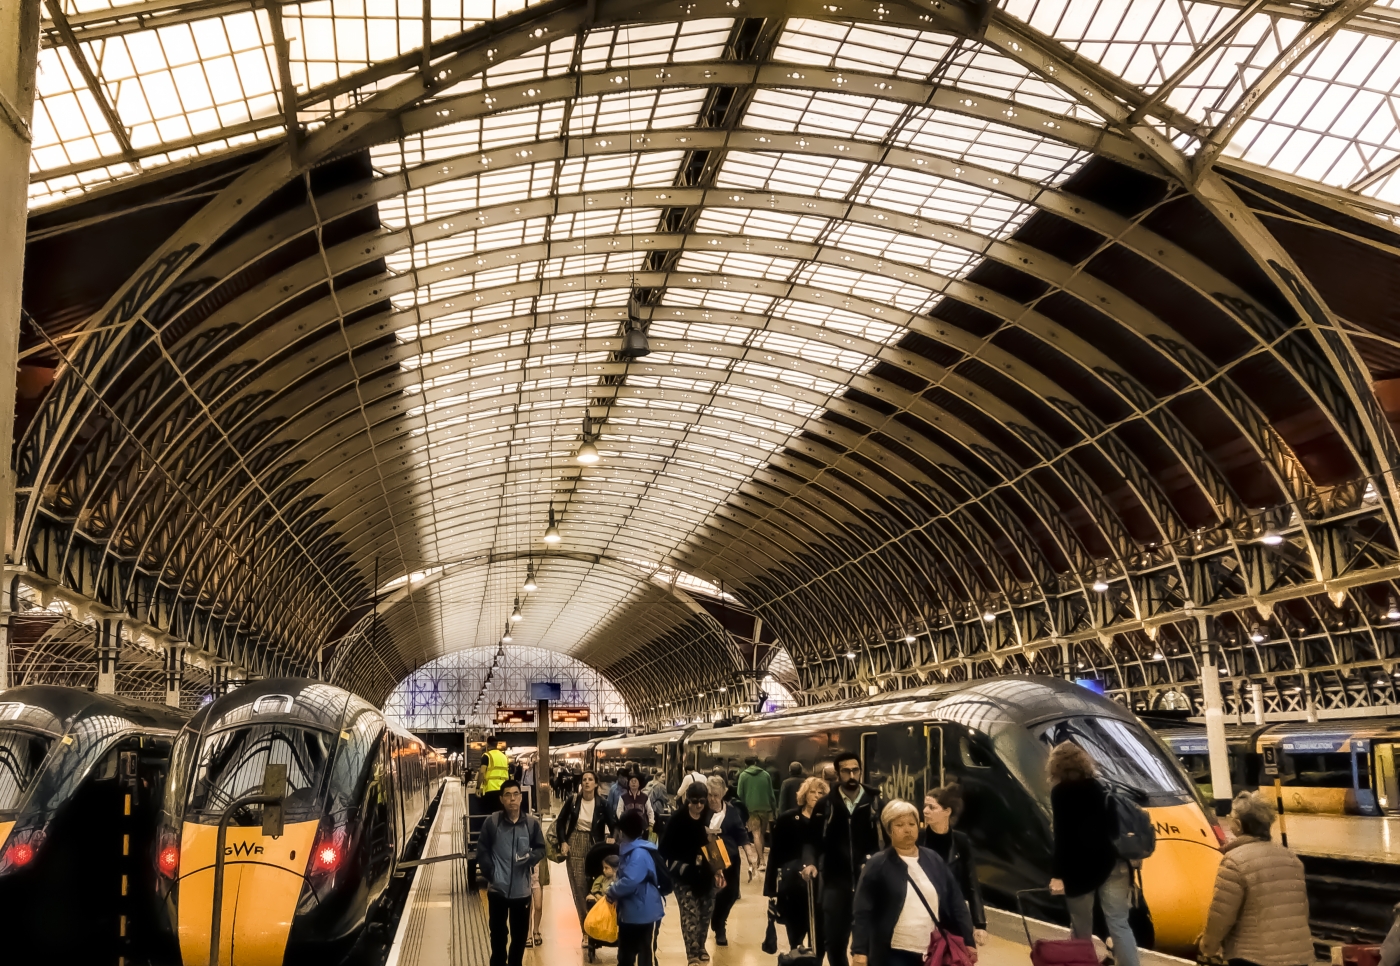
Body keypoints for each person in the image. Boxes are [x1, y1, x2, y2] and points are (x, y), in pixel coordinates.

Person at [850, 800, 977, 966]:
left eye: (912, 824)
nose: (907, 829)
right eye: (900, 825)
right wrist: (859, 951)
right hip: (894, 952)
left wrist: (968, 939)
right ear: (889, 830)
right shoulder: (878, 864)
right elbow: (862, 910)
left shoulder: (933, 859)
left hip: (933, 949)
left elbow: (956, 902)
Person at [1047, 741, 1140, 966]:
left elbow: (1063, 837)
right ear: (1084, 762)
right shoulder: (1100, 787)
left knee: (1081, 927)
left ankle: (1082, 962)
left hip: (1079, 870)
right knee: (1119, 923)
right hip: (1112, 863)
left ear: (1055, 766)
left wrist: (1057, 874)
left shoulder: (1060, 793)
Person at [1199, 791, 1312, 966]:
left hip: (1254, 957)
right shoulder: (1291, 859)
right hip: (1297, 956)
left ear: (1237, 824)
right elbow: (1301, 910)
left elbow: (1222, 914)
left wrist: (1208, 946)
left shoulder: (1234, 861)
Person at [807, 750, 885, 966]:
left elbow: (887, 843)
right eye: (846, 771)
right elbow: (812, 841)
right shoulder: (825, 805)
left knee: (869, 941)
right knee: (834, 942)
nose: (852, 775)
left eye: (855, 770)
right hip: (835, 883)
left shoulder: (875, 802)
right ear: (838, 774)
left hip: (869, 883)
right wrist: (811, 862)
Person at [477, 780, 545, 966]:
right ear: (501, 799)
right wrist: (492, 874)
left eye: (516, 794)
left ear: (521, 798)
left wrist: (531, 858)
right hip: (497, 890)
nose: (512, 798)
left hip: (522, 892)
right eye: (507, 795)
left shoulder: (532, 824)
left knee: (519, 937)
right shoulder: (492, 822)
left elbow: (541, 848)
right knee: (498, 936)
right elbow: (482, 851)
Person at [660, 782, 726, 966]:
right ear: (687, 800)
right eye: (694, 801)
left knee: (705, 914)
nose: (698, 806)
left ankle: (701, 946)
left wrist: (718, 870)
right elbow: (664, 850)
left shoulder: (708, 817)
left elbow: (712, 845)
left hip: (705, 874)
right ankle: (692, 954)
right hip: (683, 875)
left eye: (702, 802)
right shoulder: (677, 820)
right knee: (690, 915)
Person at [553, 769, 619, 943]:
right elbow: (561, 821)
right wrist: (563, 841)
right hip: (575, 841)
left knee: (594, 883)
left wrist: (612, 838)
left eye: (590, 779)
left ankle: (598, 922)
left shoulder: (603, 803)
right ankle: (585, 930)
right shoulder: (573, 801)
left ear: (596, 783)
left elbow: (614, 824)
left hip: (594, 844)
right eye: (584, 780)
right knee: (579, 886)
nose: (587, 782)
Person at [921, 784, 988, 948]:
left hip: (953, 913)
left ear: (947, 811)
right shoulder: (918, 839)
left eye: (932, 807)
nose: (925, 811)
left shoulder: (961, 841)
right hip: (923, 915)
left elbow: (971, 883)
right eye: (924, 806)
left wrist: (980, 924)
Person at [765, 775, 828, 950]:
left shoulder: (828, 820)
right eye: (812, 792)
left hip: (820, 886)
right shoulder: (788, 819)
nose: (816, 795)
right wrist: (771, 889)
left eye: (821, 792)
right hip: (792, 885)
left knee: (820, 937)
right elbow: (775, 853)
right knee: (796, 936)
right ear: (804, 795)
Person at [608, 809, 667, 966]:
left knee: (641, 954)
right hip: (636, 911)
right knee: (629, 954)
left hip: (642, 912)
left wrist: (611, 891)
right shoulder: (636, 850)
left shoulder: (638, 853)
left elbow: (630, 881)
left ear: (621, 832)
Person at [706, 773, 751, 946]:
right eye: (709, 795)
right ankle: (719, 928)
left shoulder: (731, 810)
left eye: (716, 795)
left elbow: (740, 832)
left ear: (723, 793)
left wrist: (750, 853)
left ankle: (718, 920)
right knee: (714, 892)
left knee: (731, 893)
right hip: (710, 855)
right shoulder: (702, 809)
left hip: (730, 856)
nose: (712, 799)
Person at [738, 756, 777, 871]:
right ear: (755, 763)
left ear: (746, 764)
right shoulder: (766, 775)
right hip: (765, 809)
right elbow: (771, 794)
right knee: (761, 835)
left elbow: (740, 794)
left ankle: (762, 862)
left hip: (751, 810)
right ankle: (761, 861)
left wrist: (742, 811)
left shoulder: (743, 775)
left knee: (756, 835)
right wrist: (774, 809)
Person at [480, 741, 510, 813]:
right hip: (503, 789)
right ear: (497, 745)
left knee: (491, 814)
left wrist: (478, 787)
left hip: (490, 789)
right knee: (502, 814)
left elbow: (482, 772)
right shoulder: (504, 757)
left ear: (488, 745)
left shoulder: (487, 756)